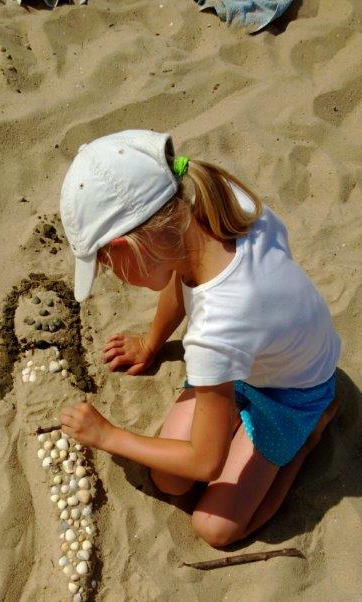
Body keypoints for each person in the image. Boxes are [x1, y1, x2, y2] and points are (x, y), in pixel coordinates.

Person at [59, 129, 340, 548]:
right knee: (169, 480)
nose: (114, 276)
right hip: (256, 356)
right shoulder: (216, 204)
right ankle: (242, 424)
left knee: (216, 527)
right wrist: (152, 342)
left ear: (128, 246)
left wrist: (108, 436)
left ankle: (310, 433)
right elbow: (181, 276)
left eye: (107, 264)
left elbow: (206, 462)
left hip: (294, 393)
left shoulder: (217, 327)